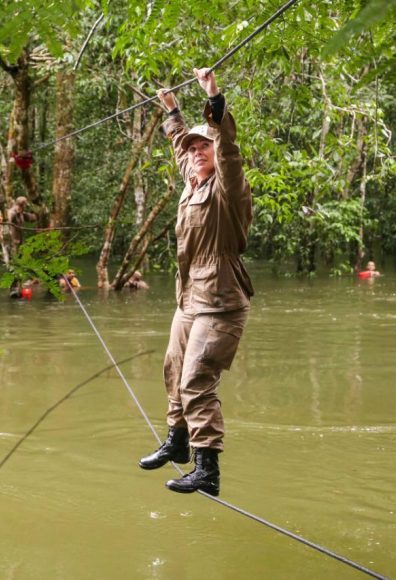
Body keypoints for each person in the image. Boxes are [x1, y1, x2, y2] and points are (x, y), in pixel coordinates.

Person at [137, 68, 253, 497]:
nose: (196, 151)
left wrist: (213, 96)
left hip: (221, 301)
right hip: (189, 298)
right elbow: (179, 147)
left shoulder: (228, 189)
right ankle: (179, 441)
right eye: (193, 147)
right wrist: (172, 113)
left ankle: (208, 469)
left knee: (196, 379)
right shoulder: (191, 182)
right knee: (173, 370)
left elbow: (227, 150)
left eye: (203, 145)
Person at [6, 196, 37, 297]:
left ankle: (18, 287)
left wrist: (38, 213)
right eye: (25, 205)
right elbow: (7, 224)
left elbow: (32, 217)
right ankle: (13, 288)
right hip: (13, 243)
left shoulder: (21, 214)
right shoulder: (12, 212)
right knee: (15, 265)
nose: (25, 208)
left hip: (19, 243)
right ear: (22, 205)